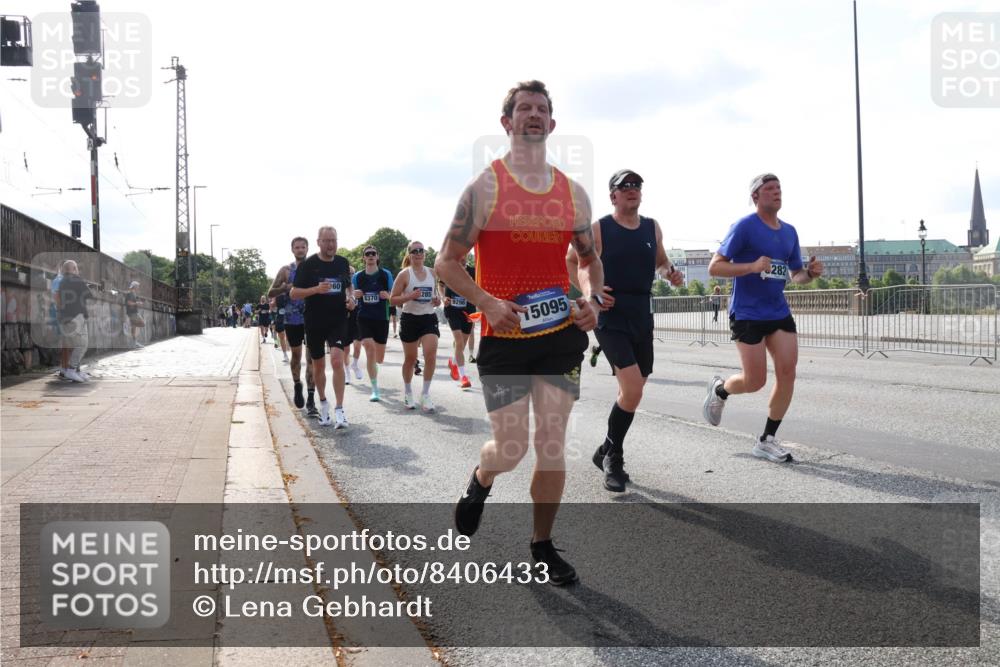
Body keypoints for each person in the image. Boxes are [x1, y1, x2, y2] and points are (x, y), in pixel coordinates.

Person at [435, 80, 602, 585]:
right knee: (511, 449)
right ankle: (481, 479)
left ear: (551, 124)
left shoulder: (572, 193)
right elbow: (447, 262)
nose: (533, 114)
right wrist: (485, 301)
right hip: (504, 338)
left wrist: (591, 300)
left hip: (558, 337)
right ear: (506, 123)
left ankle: (542, 544)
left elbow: (590, 260)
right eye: (523, 108)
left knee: (551, 443)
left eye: (542, 109)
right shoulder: (484, 189)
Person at [569, 169, 683, 492]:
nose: (632, 190)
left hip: (642, 315)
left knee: (633, 391)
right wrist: (591, 293)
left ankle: (605, 447)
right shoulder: (600, 228)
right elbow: (572, 261)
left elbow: (660, 262)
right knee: (632, 388)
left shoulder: (651, 227)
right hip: (611, 316)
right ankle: (613, 459)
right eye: (625, 186)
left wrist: (670, 273)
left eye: (637, 185)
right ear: (613, 195)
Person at [702, 173, 824, 462]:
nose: (776, 192)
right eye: (769, 189)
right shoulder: (744, 226)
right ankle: (720, 390)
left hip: (778, 311)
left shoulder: (789, 232)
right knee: (755, 381)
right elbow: (714, 268)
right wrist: (752, 266)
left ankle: (767, 439)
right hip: (747, 312)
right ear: (755, 196)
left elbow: (796, 275)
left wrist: (811, 274)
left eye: (779, 188)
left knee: (787, 372)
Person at [290, 226, 356, 428]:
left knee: (337, 361)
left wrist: (352, 298)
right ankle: (324, 405)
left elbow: (348, 285)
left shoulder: (343, 262)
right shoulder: (309, 265)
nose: (331, 245)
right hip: (314, 321)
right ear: (318, 242)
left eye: (333, 240)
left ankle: (340, 409)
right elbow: (294, 293)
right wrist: (316, 289)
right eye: (326, 241)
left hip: (337, 319)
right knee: (318, 366)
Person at [269, 237, 318, 416]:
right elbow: (270, 292)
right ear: (292, 250)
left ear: (307, 248)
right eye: (297, 247)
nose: (300, 250)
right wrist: (286, 287)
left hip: (312, 317)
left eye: (303, 247)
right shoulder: (286, 270)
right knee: (296, 355)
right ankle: (298, 385)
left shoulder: (314, 267)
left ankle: (312, 399)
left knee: (312, 357)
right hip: (292, 319)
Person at [390, 240, 441, 411]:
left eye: (421, 250)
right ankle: (408, 391)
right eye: (415, 251)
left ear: (424, 253)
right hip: (410, 318)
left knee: (431, 354)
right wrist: (409, 296)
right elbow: (392, 299)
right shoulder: (405, 275)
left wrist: (437, 300)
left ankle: (425, 394)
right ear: (409, 255)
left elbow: (436, 298)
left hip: (428, 317)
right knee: (410, 359)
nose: (418, 253)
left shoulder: (432, 273)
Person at [352, 245, 394, 402]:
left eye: (373, 253)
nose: (370, 256)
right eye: (367, 254)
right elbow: (351, 295)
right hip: (364, 317)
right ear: (363, 258)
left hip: (381, 318)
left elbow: (395, 294)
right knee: (369, 348)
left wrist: (387, 295)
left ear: (377, 257)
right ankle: (375, 388)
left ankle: (374, 368)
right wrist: (355, 295)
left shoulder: (386, 275)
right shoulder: (357, 277)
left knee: (379, 358)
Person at [440, 252, 476, 389]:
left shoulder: (473, 271)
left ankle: (454, 363)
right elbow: (441, 285)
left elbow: (480, 288)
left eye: (464, 255)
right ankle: (463, 377)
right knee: (459, 341)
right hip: (452, 310)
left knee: (462, 345)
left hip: (468, 310)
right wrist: (443, 297)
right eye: (459, 254)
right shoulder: (448, 269)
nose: (461, 257)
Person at [57, 260, 94, 383]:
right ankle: (71, 370)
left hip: (67, 317)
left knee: (75, 345)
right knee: (82, 344)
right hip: (76, 317)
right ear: (74, 269)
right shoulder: (76, 279)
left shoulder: (62, 281)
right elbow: (89, 295)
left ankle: (76, 370)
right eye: (76, 268)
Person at [125, 280, 145, 348]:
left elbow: (132, 302)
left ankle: (134, 343)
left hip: (132, 313)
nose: (138, 287)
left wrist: (138, 303)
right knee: (143, 324)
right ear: (134, 286)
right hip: (133, 313)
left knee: (134, 327)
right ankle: (134, 343)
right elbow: (129, 303)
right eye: (137, 286)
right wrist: (137, 303)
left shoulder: (133, 294)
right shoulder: (130, 293)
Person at [271, 295, 289, 363]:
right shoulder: (277, 294)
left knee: (290, 335)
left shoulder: (290, 290)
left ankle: (290, 347)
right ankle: (285, 355)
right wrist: (273, 303)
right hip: (280, 317)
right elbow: (272, 306)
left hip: (291, 316)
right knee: (281, 335)